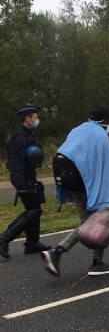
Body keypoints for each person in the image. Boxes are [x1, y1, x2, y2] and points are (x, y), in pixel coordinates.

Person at [41, 106, 109, 276]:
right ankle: (61, 254)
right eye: (108, 120)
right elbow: (104, 167)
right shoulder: (100, 136)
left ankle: (67, 255)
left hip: (72, 184)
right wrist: (108, 192)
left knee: (89, 223)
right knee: (98, 223)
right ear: (102, 121)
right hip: (89, 186)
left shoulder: (78, 130)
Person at [1, 106, 50, 259]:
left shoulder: (27, 133)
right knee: (32, 211)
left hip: (29, 176)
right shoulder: (20, 136)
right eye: (35, 117)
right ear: (28, 119)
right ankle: (3, 239)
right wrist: (21, 185)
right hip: (22, 178)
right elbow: (16, 162)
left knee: (35, 207)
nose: (37, 120)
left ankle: (32, 243)